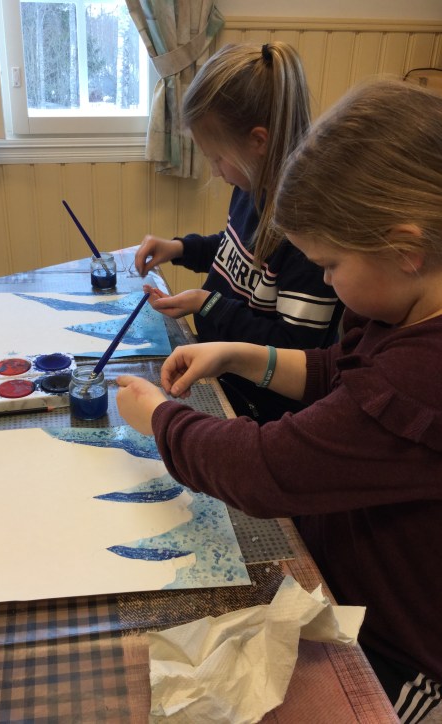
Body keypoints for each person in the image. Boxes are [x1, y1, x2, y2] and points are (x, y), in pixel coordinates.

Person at [116, 78, 442, 724]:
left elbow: (263, 470)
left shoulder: (421, 378)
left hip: (398, 655)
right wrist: (243, 354)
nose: (325, 279)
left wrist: (160, 419)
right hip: (339, 587)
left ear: (405, 249)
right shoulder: (406, 309)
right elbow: (340, 372)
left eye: (330, 266)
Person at [134, 41, 343, 424]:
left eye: (218, 158)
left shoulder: (306, 232)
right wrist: (180, 248)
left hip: (258, 410)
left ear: (258, 142)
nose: (215, 172)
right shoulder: (250, 186)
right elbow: (235, 250)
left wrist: (207, 303)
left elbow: (295, 351)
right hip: (220, 372)